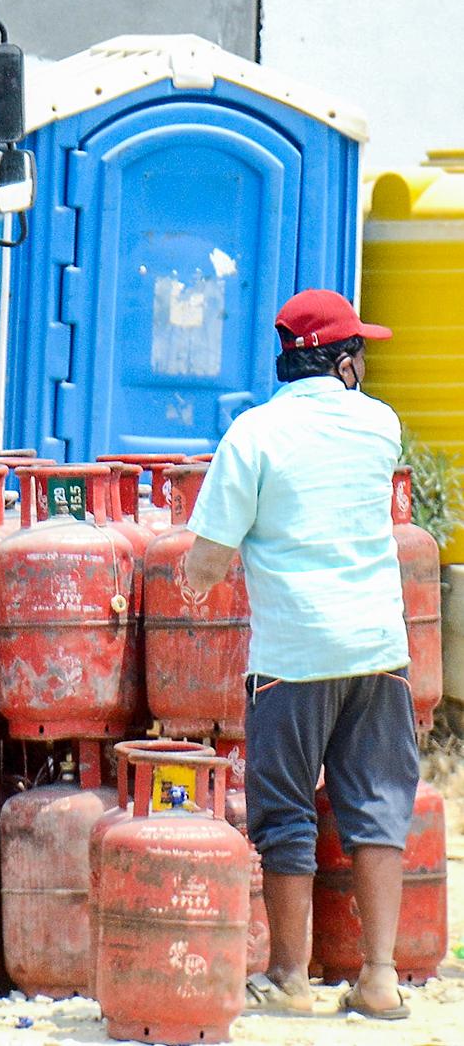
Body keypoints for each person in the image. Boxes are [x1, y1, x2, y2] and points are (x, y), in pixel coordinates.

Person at [183, 288, 416, 1021]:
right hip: (378, 647)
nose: (364, 367)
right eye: (359, 354)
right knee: (376, 808)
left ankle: (287, 979)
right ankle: (377, 979)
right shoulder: (380, 426)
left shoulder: (252, 436)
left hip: (292, 654)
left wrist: (192, 584)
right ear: (340, 361)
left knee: (284, 814)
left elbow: (207, 558)